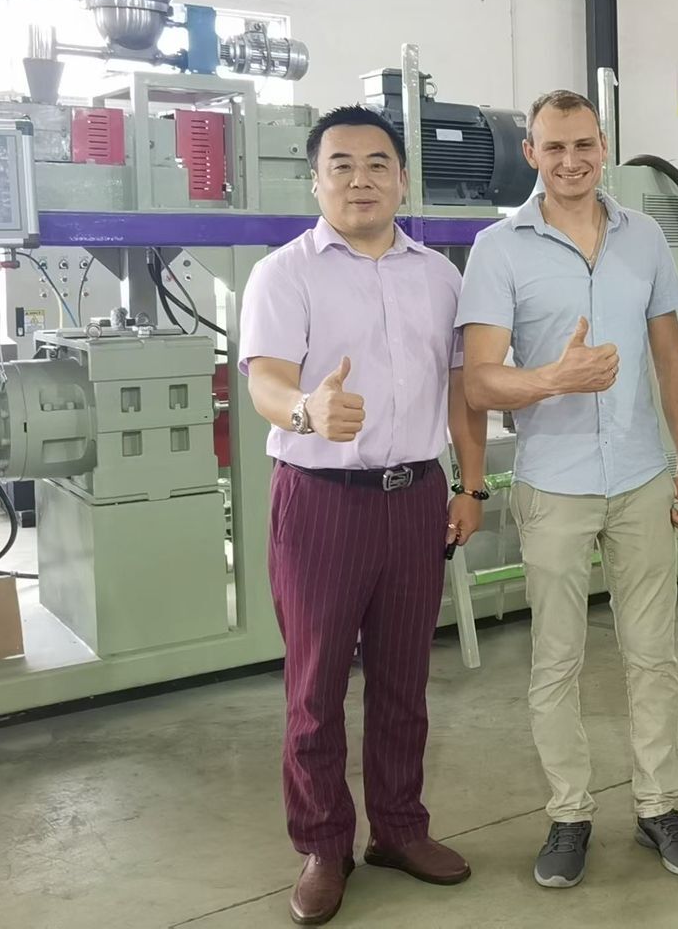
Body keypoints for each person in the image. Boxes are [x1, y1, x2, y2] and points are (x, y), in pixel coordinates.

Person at [239, 105, 490, 927]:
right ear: (315, 181)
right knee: (315, 688)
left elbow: (461, 391)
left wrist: (471, 485)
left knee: (404, 681)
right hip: (320, 502)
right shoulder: (285, 275)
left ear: (402, 180)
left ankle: (400, 829)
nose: (360, 180)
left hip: (414, 499)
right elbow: (264, 380)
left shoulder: (440, 278)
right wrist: (305, 410)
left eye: (377, 163)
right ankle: (323, 844)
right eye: (340, 165)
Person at [455, 89, 678, 889]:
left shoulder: (643, 239)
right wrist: (551, 379)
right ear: (531, 153)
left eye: (585, 145)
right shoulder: (498, 249)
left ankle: (659, 806)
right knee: (557, 659)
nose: (571, 161)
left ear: (605, 147)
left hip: (640, 475)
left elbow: (670, 356)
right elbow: (478, 382)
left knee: (653, 655)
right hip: (555, 484)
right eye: (555, 147)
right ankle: (568, 815)